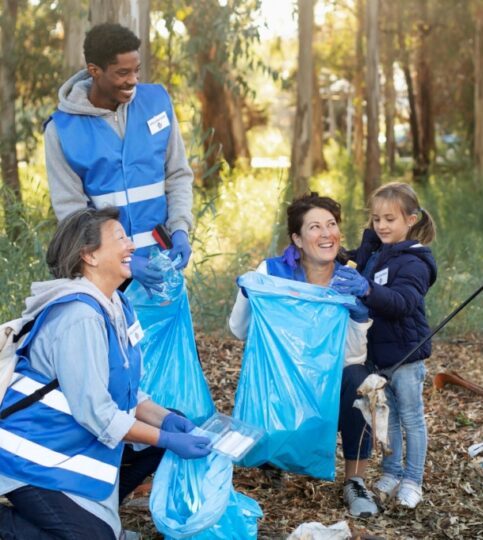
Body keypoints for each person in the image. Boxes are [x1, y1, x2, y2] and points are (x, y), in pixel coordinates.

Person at [0, 207, 211, 540]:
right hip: (31, 455)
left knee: (166, 423)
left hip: (74, 442)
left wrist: (167, 422)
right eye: (120, 239)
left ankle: (93, 512)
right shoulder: (79, 317)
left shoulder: (118, 305)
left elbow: (126, 391)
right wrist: (167, 437)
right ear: (89, 256)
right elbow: (97, 414)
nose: (131, 247)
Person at [228, 193, 378, 518]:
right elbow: (240, 331)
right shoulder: (272, 271)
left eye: (332, 225)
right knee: (268, 369)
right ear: (297, 238)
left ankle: (355, 482)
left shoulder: (348, 280)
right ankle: (272, 456)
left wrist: (358, 316)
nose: (327, 234)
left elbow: (352, 356)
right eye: (314, 227)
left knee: (359, 380)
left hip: (324, 385)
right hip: (280, 386)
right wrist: (248, 294)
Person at [44, 22, 193, 294]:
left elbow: (178, 174)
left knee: (166, 336)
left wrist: (181, 228)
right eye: (122, 73)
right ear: (94, 71)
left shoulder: (157, 103)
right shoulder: (61, 131)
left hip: (163, 264)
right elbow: (72, 213)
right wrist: (121, 259)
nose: (133, 80)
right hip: (104, 276)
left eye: (137, 70)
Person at [339, 182, 437, 510]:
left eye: (389, 219)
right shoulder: (379, 251)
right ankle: (392, 472)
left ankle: (413, 479)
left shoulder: (414, 261)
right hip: (380, 355)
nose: (381, 226)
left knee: (412, 418)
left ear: (411, 220)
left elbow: (402, 302)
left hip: (406, 356)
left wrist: (366, 289)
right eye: (376, 218)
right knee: (388, 417)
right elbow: (359, 263)